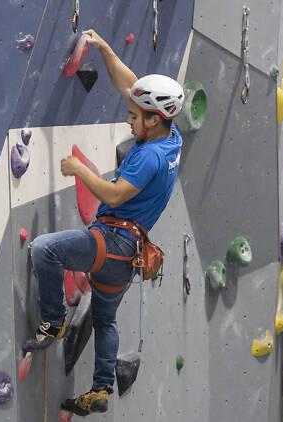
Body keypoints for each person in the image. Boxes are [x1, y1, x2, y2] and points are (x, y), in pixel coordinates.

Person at [22, 29, 184, 416]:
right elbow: (131, 85)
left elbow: (113, 196)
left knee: (44, 250)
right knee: (105, 319)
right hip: (129, 258)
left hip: (113, 243)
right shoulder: (170, 136)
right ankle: (99, 388)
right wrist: (106, 50)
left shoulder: (150, 158)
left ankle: (53, 321)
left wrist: (78, 168)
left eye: (132, 116)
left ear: (152, 118)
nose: (128, 121)